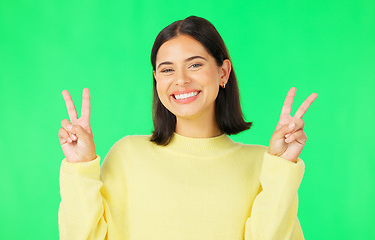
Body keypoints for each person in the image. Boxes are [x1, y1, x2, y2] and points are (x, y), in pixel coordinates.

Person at [58, 16, 317, 240]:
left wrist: (281, 167)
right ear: (157, 80)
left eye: (194, 64)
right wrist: (80, 168)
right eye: (167, 69)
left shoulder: (265, 164)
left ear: (223, 72)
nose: (181, 80)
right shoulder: (128, 156)